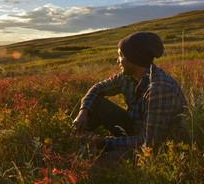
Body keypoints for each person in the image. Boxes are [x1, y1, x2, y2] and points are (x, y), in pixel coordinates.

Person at [73, 32, 187, 160]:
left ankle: (89, 151)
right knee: (97, 104)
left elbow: (149, 142)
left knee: (103, 162)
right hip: (136, 129)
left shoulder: (159, 89)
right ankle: (76, 142)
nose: (118, 60)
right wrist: (83, 112)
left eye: (121, 55)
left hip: (159, 147)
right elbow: (98, 88)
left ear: (133, 58)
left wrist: (104, 142)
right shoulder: (129, 76)